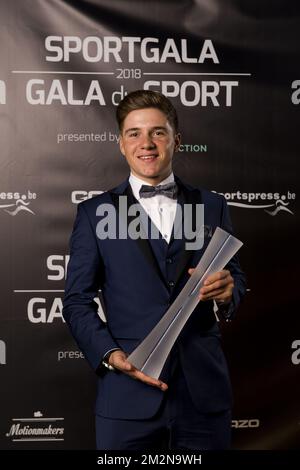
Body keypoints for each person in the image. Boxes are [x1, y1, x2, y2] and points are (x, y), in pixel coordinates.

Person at [63, 89, 246, 450]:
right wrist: (111, 355)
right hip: (128, 395)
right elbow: (76, 301)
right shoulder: (97, 212)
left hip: (203, 396)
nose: (146, 143)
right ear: (121, 144)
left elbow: (235, 278)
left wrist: (229, 292)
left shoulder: (211, 205)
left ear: (176, 140)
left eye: (157, 132)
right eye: (134, 133)